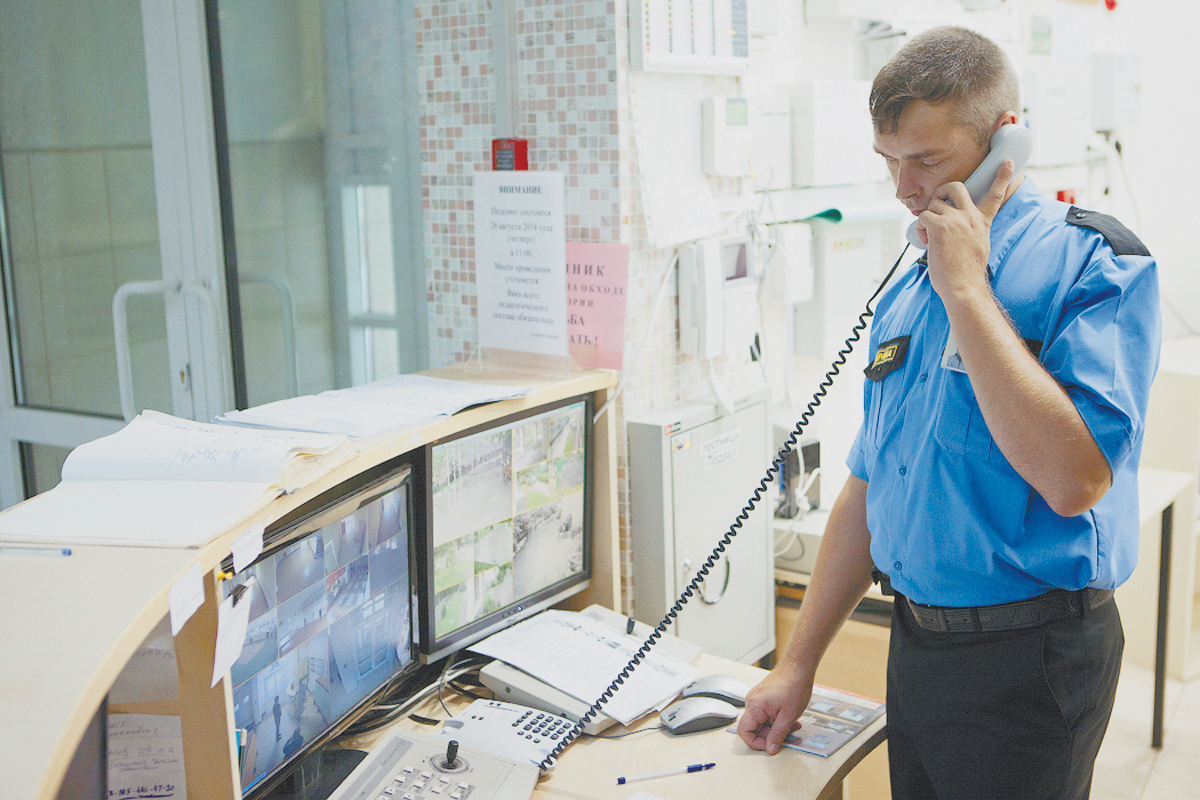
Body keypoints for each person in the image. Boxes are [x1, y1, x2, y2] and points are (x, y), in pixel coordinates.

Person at [737, 26, 1160, 800]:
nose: (903, 187)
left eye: (926, 159)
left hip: (1030, 661)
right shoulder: (909, 284)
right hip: (917, 648)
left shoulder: (1093, 263)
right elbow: (870, 483)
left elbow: (1074, 481)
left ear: (1008, 140)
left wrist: (969, 290)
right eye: (889, 160)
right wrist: (797, 664)